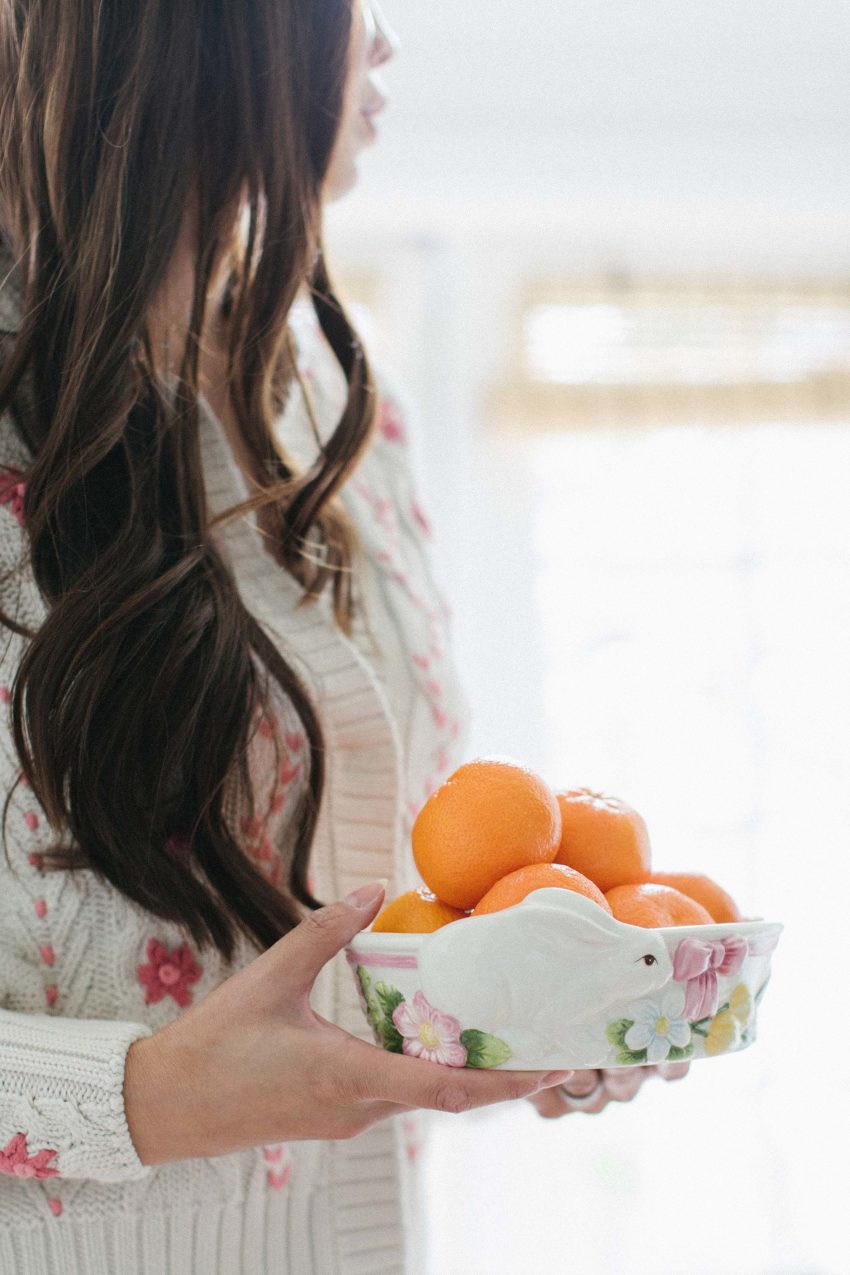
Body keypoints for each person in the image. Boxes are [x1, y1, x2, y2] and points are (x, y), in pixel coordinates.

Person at [0, 3, 686, 1271]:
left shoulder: (338, 408)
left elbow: (381, 915)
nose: (380, 45)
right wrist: (143, 1095)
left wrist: (515, 993)